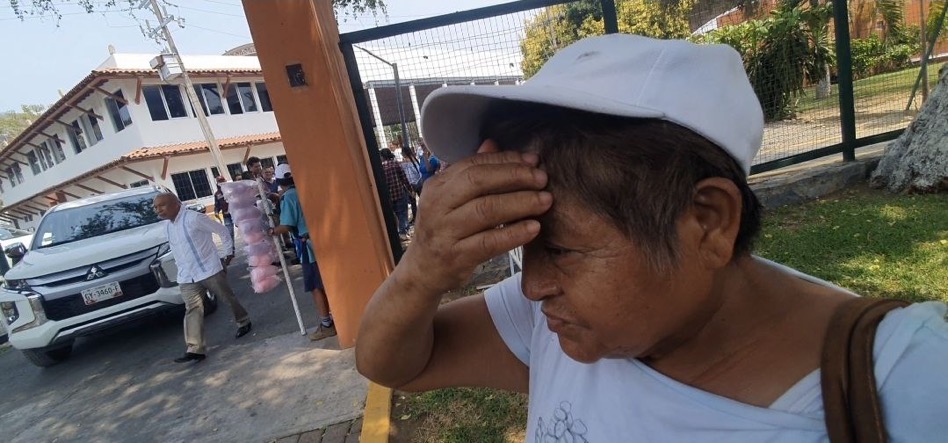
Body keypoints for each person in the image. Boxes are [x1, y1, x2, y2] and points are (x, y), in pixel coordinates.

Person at [354, 35, 948, 441]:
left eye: (561, 248)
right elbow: (394, 363)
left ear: (709, 222)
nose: (533, 285)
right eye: (524, 248)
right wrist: (421, 269)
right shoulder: (555, 326)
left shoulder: (909, 382)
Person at [153, 192, 253, 364]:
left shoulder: (194, 218)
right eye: (155, 207)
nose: (158, 210)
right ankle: (195, 348)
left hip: (209, 269)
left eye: (162, 205)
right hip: (187, 276)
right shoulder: (167, 226)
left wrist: (228, 253)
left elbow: (221, 231)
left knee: (228, 299)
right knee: (192, 309)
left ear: (176, 204)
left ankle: (243, 321)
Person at [266, 163, 337, 341]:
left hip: (308, 247)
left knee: (315, 286)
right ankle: (333, 317)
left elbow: (287, 225)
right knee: (325, 282)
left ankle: (327, 324)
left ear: (280, 181)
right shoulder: (303, 190)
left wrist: (273, 231)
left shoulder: (288, 197)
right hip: (320, 240)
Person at [379, 148, 413, 241]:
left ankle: (400, 232)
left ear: (382, 156)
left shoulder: (380, 168)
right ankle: (403, 232)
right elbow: (404, 177)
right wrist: (410, 188)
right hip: (399, 192)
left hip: (389, 196)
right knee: (403, 213)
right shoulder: (395, 164)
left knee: (396, 215)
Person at [399, 146, 422, 224]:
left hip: (412, 185)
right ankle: (419, 217)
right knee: (420, 200)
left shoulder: (405, 163)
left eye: (402, 152)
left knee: (413, 202)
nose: (401, 154)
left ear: (404, 153)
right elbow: (419, 173)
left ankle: (416, 218)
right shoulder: (414, 161)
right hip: (416, 184)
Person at [213, 176, 235, 243]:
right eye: (220, 181)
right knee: (229, 233)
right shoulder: (217, 194)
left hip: (237, 213)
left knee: (244, 230)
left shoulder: (232, 189)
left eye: (223, 180)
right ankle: (231, 250)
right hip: (226, 216)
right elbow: (217, 205)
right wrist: (216, 212)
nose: (222, 182)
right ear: (217, 183)